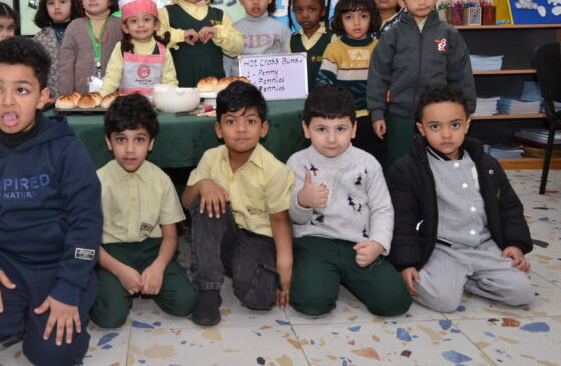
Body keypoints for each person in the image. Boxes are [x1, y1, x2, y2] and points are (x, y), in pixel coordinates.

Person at [0, 37, 101, 366]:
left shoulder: (68, 151)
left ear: (43, 97)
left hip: (60, 266)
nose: (8, 102)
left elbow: (86, 224)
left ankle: (56, 311)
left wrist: (69, 288)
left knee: (51, 357)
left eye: (22, 90)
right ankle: (23, 314)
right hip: (5, 266)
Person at [387, 85, 534, 312]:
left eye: (454, 125)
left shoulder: (487, 165)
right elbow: (402, 220)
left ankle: (466, 280)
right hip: (441, 249)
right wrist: (405, 263)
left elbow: (509, 207)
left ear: (467, 125)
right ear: (422, 129)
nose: (446, 135)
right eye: (435, 126)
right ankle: (452, 281)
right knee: (443, 301)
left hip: (484, 246)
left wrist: (515, 243)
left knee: (522, 292)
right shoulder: (408, 169)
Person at [286, 85, 411, 317]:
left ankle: (344, 276)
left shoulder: (368, 163)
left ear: (354, 129)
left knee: (395, 301)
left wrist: (378, 244)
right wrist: (302, 201)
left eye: (340, 129)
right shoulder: (297, 163)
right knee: (312, 302)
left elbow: (382, 209)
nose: (331, 138)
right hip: (315, 241)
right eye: (321, 129)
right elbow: (295, 218)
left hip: (358, 243)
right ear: (306, 129)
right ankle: (323, 276)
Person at [182, 81, 294, 326]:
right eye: (231, 122)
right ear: (219, 129)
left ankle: (227, 264)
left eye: (250, 121)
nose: (241, 129)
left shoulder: (275, 170)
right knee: (206, 200)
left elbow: (280, 221)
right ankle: (209, 291)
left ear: (264, 128)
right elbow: (187, 202)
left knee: (261, 298)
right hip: (224, 232)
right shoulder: (211, 158)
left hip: (259, 238)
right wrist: (202, 185)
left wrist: (285, 268)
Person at [91, 93, 197, 328]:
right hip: (111, 253)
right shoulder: (97, 182)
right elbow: (89, 241)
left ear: (151, 143)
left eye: (139, 139)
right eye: (121, 139)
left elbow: (170, 236)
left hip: (152, 249)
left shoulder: (161, 180)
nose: (130, 150)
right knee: (110, 317)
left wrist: (158, 268)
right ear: (109, 142)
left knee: (185, 302)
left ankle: (143, 282)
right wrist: (119, 271)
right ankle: (118, 287)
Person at [367, 0, 476, 169]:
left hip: (439, 115)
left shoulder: (449, 33)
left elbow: (461, 74)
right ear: (401, 0)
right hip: (399, 114)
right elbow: (378, 75)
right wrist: (377, 113)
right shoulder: (392, 35)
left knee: (437, 165)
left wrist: (466, 110)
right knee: (399, 165)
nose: (422, 1)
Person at [316, 0, 383, 162]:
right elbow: (324, 84)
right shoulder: (334, 48)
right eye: (349, 17)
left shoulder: (379, 47)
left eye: (363, 16)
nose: (356, 22)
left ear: (372, 18)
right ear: (340, 20)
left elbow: (386, 82)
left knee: (372, 161)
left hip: (374, 118)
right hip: (343, 119)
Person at [157, 0, 243, 87]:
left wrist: (217, 32)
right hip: (177, 90)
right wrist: (180, 35)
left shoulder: (220, 15)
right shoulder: (165, 13)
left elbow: (237, 49)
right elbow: (155, 43)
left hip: (214, 90)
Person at [100, 0, 177, 97]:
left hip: (155, 105)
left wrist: (172, 100)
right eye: (134, 21)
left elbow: (170, 82)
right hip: (127, 105)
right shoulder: (121, 48)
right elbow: (112, 77)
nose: (141, 25)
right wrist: (102, 97)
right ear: (125, 27)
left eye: (146, 19)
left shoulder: (163, 50)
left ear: (156, 24)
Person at [58, 0, 123, 95]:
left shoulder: (121, 26)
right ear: (81, 1)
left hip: (115, 97)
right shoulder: (74, 27)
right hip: (80, 98)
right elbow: (66, 66)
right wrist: (66, 96)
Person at [223, 0, 290, 77]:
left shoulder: (282, 30)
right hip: (239, 86)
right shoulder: (232, 30)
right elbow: (226, 68)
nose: (255, 2)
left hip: (273, 85)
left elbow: (288, 67)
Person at [33, 0, 82, 99]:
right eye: (51, 3)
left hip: (78, 99)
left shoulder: (82, 33)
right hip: (47, 101)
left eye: (62, 1)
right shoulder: (38, 39)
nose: (57, 7)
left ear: (73, 3)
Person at [286, 0, 335, 92]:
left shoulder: (333, 39)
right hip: (299, 99)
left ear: (323, 11)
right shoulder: (291, 40)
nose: (304, 15)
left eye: (312, 9)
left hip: (327, 99)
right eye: (298, 10)